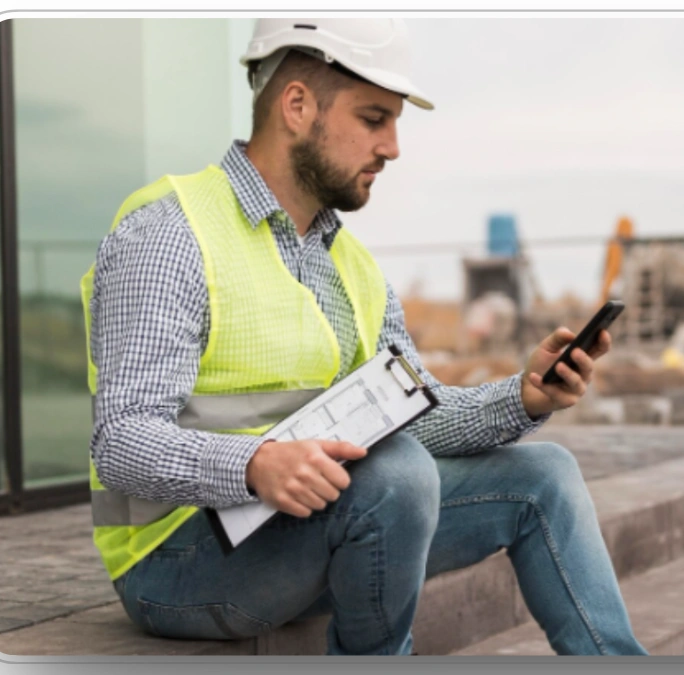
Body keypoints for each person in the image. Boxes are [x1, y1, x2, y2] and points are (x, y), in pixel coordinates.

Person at [81, 17, 648, 657]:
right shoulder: (170, 237)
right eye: (374, 118)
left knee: (545, 475)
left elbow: (414, 418)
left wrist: (526, 397)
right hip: (177, 559)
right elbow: (121, 440)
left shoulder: (351, 266)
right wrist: (253, 466)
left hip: (308, 526)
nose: (394, 147)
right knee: (396, 476)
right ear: (296, 106)